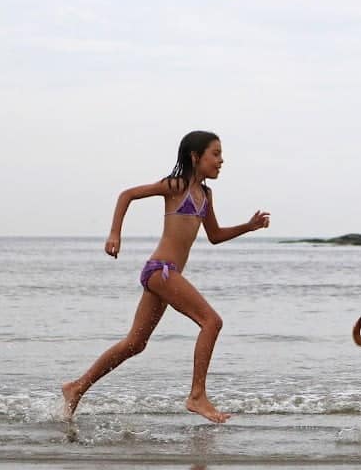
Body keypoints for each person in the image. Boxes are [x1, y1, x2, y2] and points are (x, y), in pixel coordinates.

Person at [62, 131, 269, 424]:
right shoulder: (176, 185)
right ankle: (197, 395)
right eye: (216, 153)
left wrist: (248, 227)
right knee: (212, 322)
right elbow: (127, 195)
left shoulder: (206, 195)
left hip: (163, 276)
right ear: (195, 157)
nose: (221, 160)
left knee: (135, 343)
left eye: (221, 154)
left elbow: (215, 236)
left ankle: (76, 387)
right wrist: (114, 233)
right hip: (161, 270)